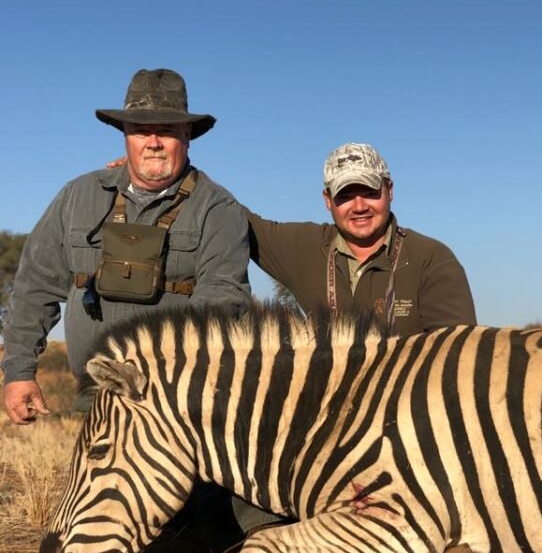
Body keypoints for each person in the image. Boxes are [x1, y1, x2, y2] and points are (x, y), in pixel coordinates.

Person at [2, 68, 252, 425]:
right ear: (124, 136)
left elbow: (222, 302)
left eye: (166, 130)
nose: (153, 141)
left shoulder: (218, 209)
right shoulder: (78, 195)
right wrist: (19, 371)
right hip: (95, 400)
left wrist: (153, 374)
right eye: (140, 130)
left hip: (176, 405)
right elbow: (33, 288)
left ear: (187, 135)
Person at [247, 142, 476, 333]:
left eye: (370, 192)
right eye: (345, 195)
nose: (359, 206)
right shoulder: (305, 247)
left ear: (390, 190)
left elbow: (459, 354)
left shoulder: (431, 259)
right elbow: (234, 217)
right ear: (327, 199)